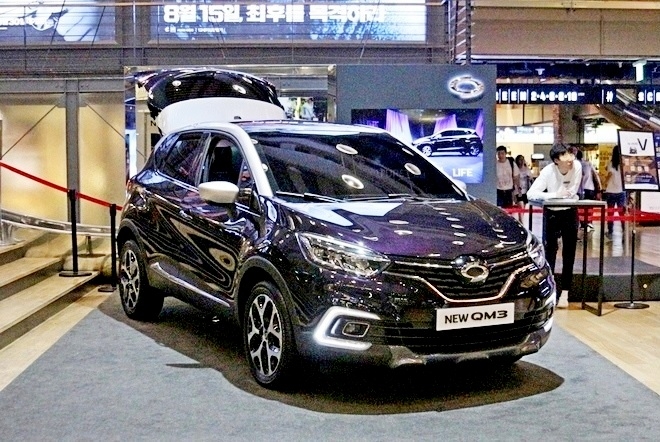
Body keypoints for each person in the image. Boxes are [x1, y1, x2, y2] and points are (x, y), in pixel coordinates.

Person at [527, 143, 582, 309]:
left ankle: (565, 292)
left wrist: (563, 196)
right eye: (565, 155)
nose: (570, 158)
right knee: (550, 252)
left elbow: (572, 192)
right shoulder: (548, 171)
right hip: (551, 213)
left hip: (570, 212)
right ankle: (550, 291)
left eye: (571, 154)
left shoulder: (577, 167)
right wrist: (554, 195)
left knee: (569, 253)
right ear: (556, 160)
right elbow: (531, 193)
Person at [603, 144, 626, 241]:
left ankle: (610, 232)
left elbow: (609, 175)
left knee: (610, 213)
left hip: (611, 191)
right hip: (621, 191)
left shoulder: (611, 163)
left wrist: (604, 183)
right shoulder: (624, 164)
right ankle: (624, 231)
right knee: (622, 213)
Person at [576, 149, 602, 236]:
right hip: (590, 189)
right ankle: (589, 223)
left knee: (580, 208)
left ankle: (582, 224)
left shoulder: (575, 164)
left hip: (578, 190)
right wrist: (598, 190)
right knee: (589, 207)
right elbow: (595, 176)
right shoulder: (588, 164)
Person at [515, 154, 532, 221]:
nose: (521, 161)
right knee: (520, 205)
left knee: (524, 206)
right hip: (518, 190)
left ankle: (521, 219)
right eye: (520, 160)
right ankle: (520, 220)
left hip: (525, 190)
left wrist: (529, 177)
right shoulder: (516, 169)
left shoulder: (526, 169)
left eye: (522, 159)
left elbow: (531, 178)